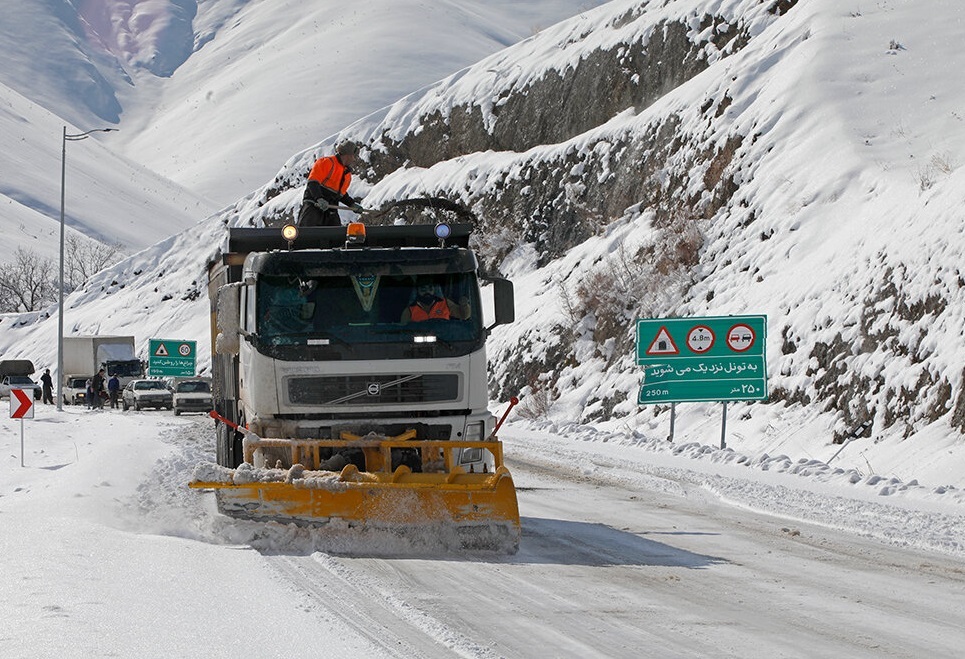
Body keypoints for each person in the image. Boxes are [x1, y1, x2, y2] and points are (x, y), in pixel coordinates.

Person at [297, 141, 365, 227]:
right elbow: (313, 183)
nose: (354, 159)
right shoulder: (326, 162)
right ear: (348, 155)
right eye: (354, 156)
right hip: (314, 206)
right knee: (308, 234)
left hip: (331, 209)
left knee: (335, 235)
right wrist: (319, 198)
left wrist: (352, 204)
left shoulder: (347, 174)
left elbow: (341, 195)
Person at [400, 276, 471, 323]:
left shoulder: (445, 303)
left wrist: (464, 305)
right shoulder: (409, 310)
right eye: (423, 289)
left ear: (435, 290)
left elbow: (464, 316)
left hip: (444, 340)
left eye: (430, 288)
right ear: (417, 291)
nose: (427, 292)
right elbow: (403, 331)